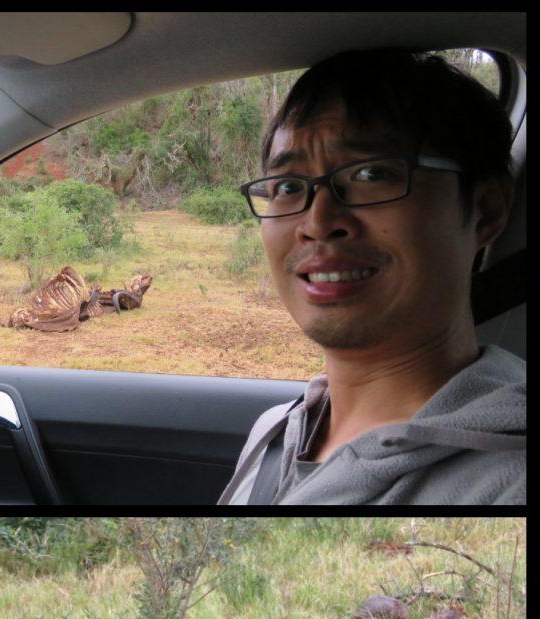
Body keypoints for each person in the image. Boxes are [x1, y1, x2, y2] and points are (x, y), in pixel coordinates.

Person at [218, 49, 524, 505]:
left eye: (371, 174)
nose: (318, 222)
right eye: (287, 187)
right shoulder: (275, 433)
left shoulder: (509, 478)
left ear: (485, 211)